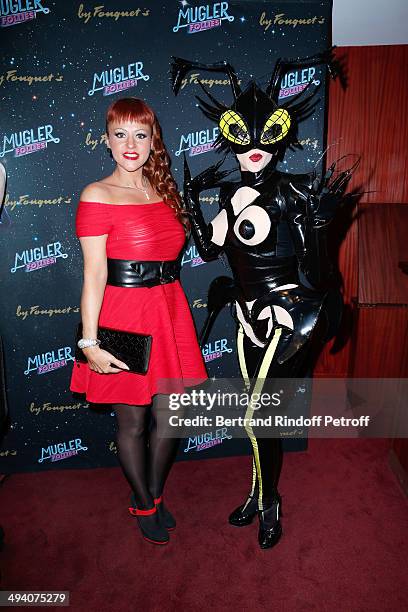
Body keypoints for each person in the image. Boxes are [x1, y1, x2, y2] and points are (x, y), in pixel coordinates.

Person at [171, 52, 354, 549]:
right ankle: (258, 490)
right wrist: (192, 199)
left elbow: (318, 275)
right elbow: (209, 251)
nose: (253, 149)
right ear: (229, 138)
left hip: (286, 322)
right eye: (242, 138)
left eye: (264, 139)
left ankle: (270, 502)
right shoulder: (231, 196)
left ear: (281, 136)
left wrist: (318, 228)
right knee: (255, 422)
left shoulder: (295, 192)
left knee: (259, 420)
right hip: (246, 319)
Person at [70, 97, 207, 545]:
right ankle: (145, 501)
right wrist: (89, 343)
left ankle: (155, 491)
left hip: (169, 309)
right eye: (120, 134)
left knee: (173, 417)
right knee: (132, 422)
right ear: (107, 141)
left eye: (141, 134)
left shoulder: (163, 189)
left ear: (153, 141)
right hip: (125, 314)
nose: (131, 144)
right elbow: (94, 274)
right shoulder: (97, 194)